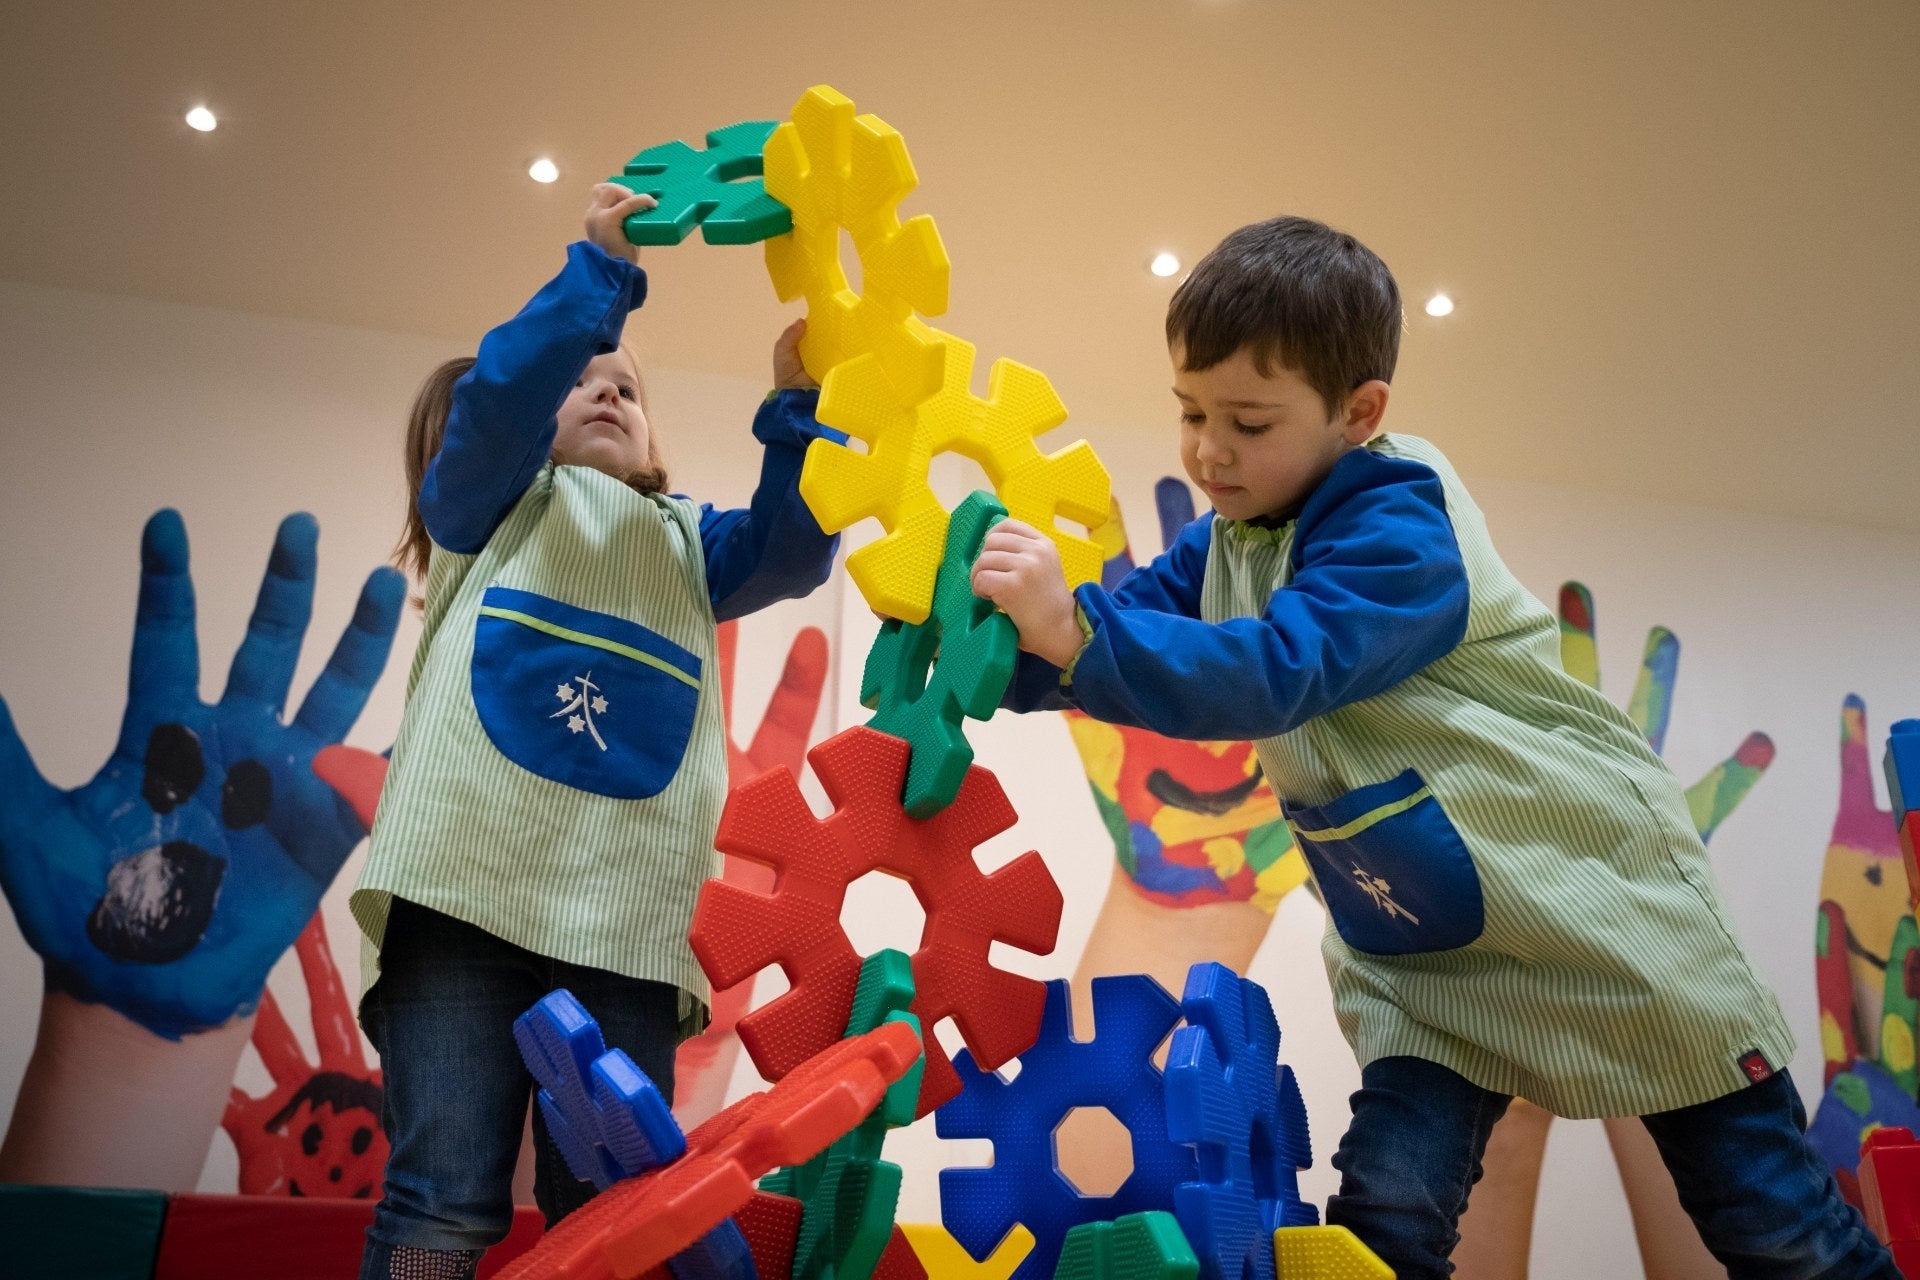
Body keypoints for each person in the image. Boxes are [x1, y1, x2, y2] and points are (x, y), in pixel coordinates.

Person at [974, 215, 1895, 1278]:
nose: (1208, 449)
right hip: (1425, 944)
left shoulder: (1399, 522)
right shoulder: (1226, 538)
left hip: (1586, 900)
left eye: (1247, 419)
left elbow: (1277, 665)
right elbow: (1120, 627)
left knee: (1761, 1210)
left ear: (1359, 413)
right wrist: (991, 648)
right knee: (1387, 1213)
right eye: (1189, 411)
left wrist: (1075, 633)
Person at [351, 184, 841, 1279]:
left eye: (625, 385)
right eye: (581, 382)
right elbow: (501, 398)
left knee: (614, 1210)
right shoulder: (488, 509)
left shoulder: (686, 542)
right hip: (462, 899)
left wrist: (801, 401)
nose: (608, 389)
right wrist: (599, 281)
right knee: (442, 1191)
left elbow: (795, 548)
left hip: (625, 927)